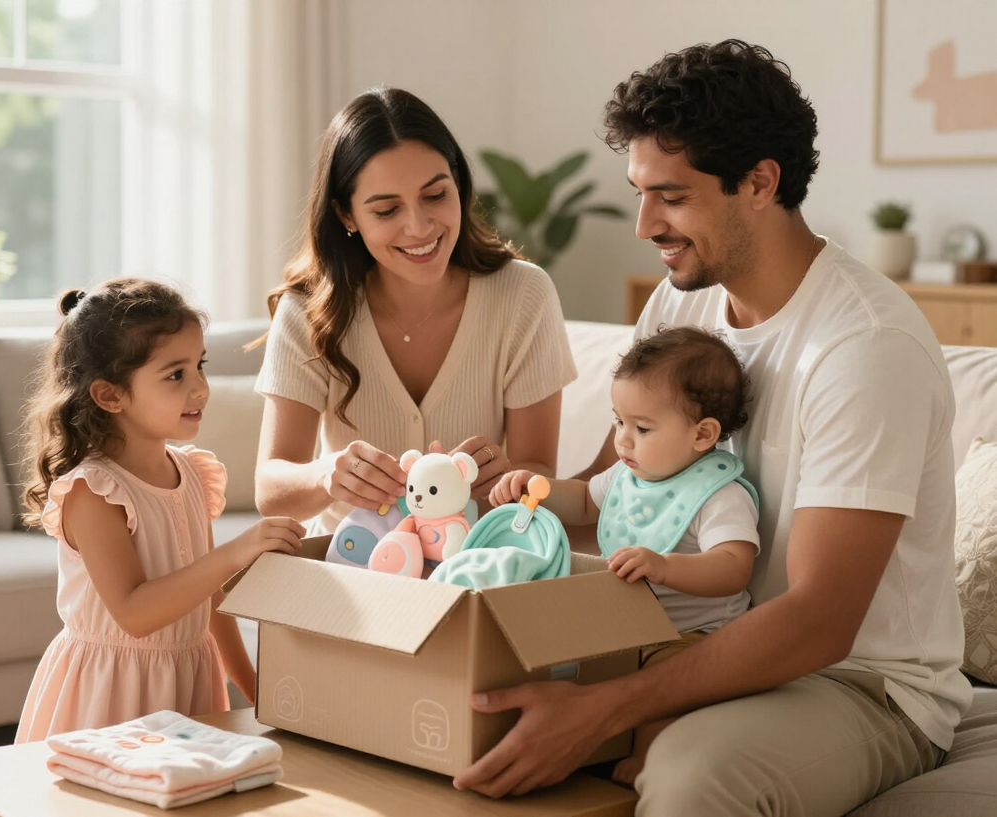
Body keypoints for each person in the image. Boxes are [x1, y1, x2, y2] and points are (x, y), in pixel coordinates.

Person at [454, 40, 973, 816]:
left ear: (760, 182)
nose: (642, 224)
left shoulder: (865, 346)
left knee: (694, 776)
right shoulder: (680, 302)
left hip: (857, 682)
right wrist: (512, 504)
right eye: (638, 192)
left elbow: (821, 620)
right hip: (682, 637)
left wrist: (610, 704)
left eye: (671, 195)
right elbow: (616, 489)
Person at [253, 87, 577, 536]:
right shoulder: (307, 311)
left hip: (471, 567)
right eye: (386, 209)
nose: (420, 227)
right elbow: (270, 490)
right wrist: (327, 475)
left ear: (459, 185)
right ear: (347, 216)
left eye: (435, 195)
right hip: (348, 570)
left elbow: (538, 469)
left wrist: (505, 480)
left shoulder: (523, 295)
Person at [15, 278, 305, 743]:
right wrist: (235, 552)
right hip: (113, 695)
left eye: (200, 366)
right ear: (110, 396)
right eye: (176, 375)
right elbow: (133, 612)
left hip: (188, 680)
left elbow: (211, 599)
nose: (201, 389)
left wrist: (256, 693)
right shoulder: (94, 491)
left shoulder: (193, 475)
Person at [489, 326, 760, 785]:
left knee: (667, 684)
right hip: (625, 626)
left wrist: (666, 566)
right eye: (618, 421)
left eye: (642, 428)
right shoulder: (627, 475)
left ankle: (649, 756)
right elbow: (583, 504)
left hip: (692, 637)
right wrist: (533, 489)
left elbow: (734, 567)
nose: (623, 440)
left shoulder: (718, 494)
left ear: (703, 434)